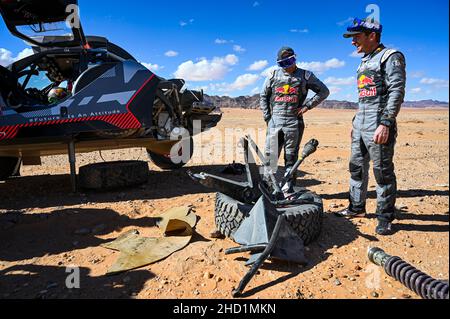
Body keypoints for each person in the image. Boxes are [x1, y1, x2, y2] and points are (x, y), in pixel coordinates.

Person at [336, 18, 407, 236]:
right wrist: (356, 122)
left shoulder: (391, 57)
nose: (353, 42)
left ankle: (385, 216)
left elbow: (396, 91)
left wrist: (386, 122)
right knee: (356, 167)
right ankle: (356, 207)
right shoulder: (364, 61)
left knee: (382, 171)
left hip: (378, 122)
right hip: (360, 123)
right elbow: (364, 97)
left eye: (356, 37)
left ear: (372, 36)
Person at [260, 47, 329, 193]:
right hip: (275, 122)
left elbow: (324, 91)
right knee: (270, 157)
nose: (287, 66)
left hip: (294, 123)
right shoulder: (273, 75)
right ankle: (266, 188)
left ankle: (288, 189)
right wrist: (267, 117)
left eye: (290, 61)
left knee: (291, 158)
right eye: (283, 63)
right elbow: (263, 96)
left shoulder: (305, 76)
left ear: (295, 59)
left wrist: (307, 106)